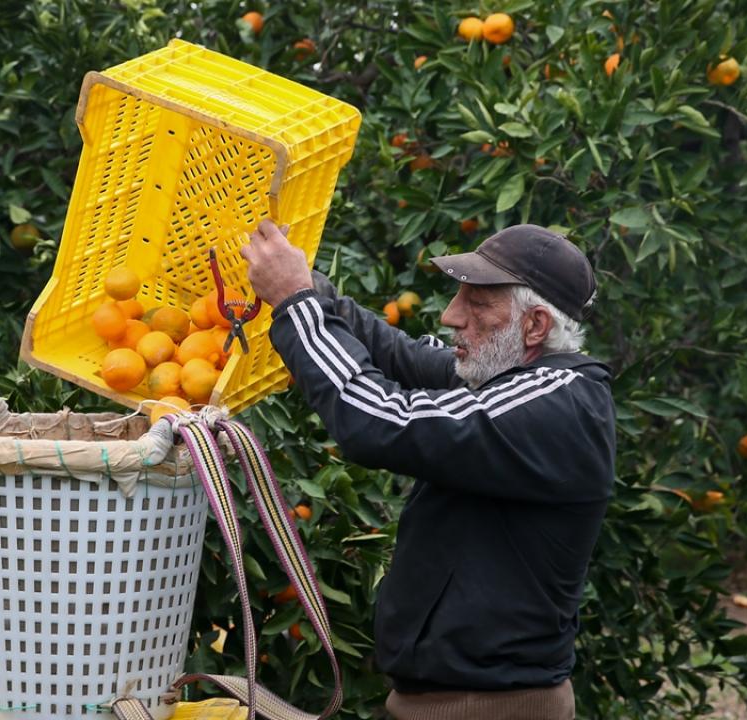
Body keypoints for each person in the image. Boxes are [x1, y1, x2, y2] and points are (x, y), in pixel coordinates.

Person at [241, 221, 614, 720]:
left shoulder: (554, 406)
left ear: (535, 326)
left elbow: (377, 418)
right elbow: (397, 354)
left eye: (477, 305)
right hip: (449, 701)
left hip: (492, 709)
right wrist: (308, 288)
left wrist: (295, 304)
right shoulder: (506, 377)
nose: (450, 316)